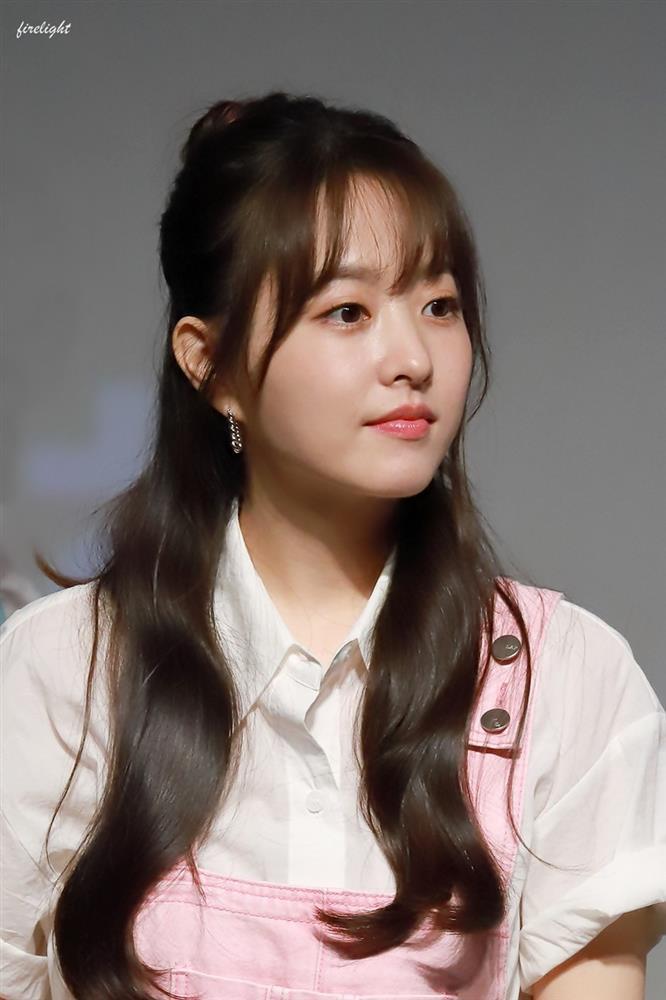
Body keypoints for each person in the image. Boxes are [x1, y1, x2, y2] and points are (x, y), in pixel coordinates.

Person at [1, 90, 664, 1000]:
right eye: (348, 312)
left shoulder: (567, 682)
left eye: (439, 305)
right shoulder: (63, 672)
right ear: (210, 363)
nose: (413, 359)